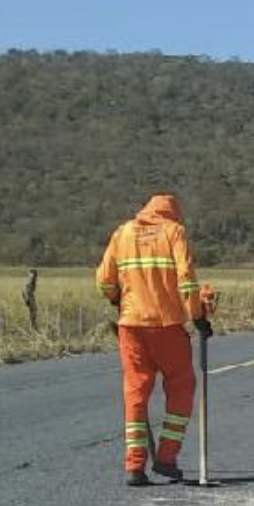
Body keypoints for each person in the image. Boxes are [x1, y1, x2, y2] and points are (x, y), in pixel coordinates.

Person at [95, 193, 212, 487]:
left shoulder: (122, 233)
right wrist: (197, 317)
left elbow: (104, 281)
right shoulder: (174, 232)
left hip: (131, 326)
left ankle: (134, 466)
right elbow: (187, 278)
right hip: (167, 325)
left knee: (136, 392)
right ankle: (166, 458)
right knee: (181, 388)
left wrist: (117, 299)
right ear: (172, 213)